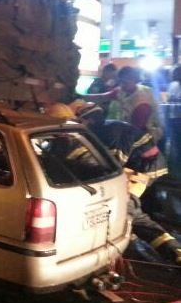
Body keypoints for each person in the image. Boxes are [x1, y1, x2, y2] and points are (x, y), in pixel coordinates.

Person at [71, 102, 180, 266]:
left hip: (146, 170)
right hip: (137, 167)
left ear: (90, 120)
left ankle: (173, 249)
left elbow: (115, 165)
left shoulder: (112, 131)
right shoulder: (102, 129)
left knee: (128, 208)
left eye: (81, 121)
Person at [108, 66, 164, 142]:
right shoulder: (124, 90)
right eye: (120, 82)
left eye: (125, 82)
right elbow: (103, 96)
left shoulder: (142, 102)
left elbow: (136, 131)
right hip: (133, 132)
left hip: (147, 138)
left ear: (134, 80)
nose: (121, 85)